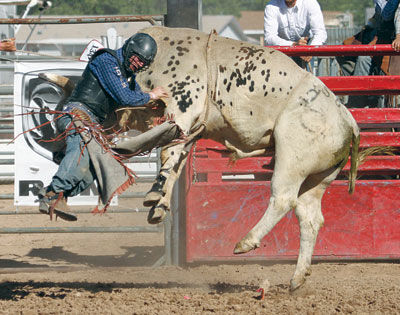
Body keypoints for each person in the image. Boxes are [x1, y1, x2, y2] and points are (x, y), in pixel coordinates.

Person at [37, 33, 168, 221]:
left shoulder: (128, 78)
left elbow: (134, 97)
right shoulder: (106, 60)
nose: (138, 64)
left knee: (97, 168)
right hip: (76, 113)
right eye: (137, 59)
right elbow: (127, 98)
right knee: (81, 149)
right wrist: (152, 96)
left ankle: (56, 195)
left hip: (91, 124)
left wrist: (152, 103)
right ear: (129, 50)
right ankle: (54, 193)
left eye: (143, 62)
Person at [263, 0, 327, 68]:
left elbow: (320, 33)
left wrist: (310, 50)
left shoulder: (310, 3)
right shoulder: (271, 6)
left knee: (307, 73)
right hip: (283, 48)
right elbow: (269, 37)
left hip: (306, 46)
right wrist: (293, 45)